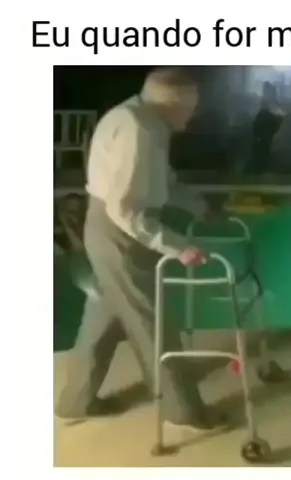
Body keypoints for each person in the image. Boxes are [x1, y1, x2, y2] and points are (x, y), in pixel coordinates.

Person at [55, 68, 226, 436]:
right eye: (190, 108)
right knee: (152, 321)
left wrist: (200, 207)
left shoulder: (134, 116)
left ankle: (74, 403)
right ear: (175, 104)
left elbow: (163, 182)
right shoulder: (142, 130)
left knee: (103, 318)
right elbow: (126, 209)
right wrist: (179, 247)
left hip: (106, 227)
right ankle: (183, 413)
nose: (192, 117)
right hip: (119, 233)